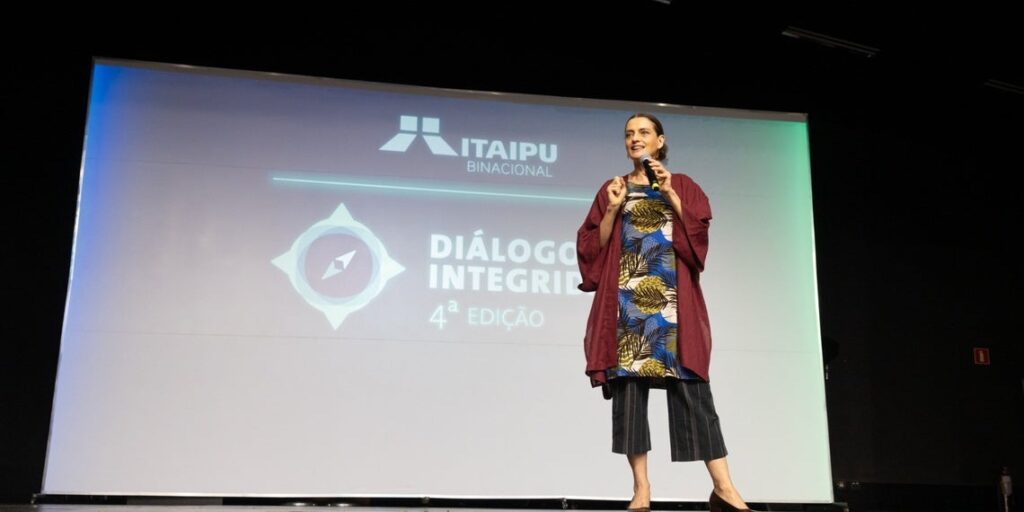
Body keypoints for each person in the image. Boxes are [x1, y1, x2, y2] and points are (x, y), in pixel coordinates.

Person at [576, 113, 752, 512]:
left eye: (643, 132)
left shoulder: (683, 184)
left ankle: (724, 489)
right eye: (629, 134)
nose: (634, 139)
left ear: (660, 140)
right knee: (630, 403)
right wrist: (612, 210)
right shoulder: (614, 187)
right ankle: (641, 490)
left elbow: (698, 238)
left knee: (695, 396)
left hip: (674, 307)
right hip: (626, 307)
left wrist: (670, 193)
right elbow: (590, 246)